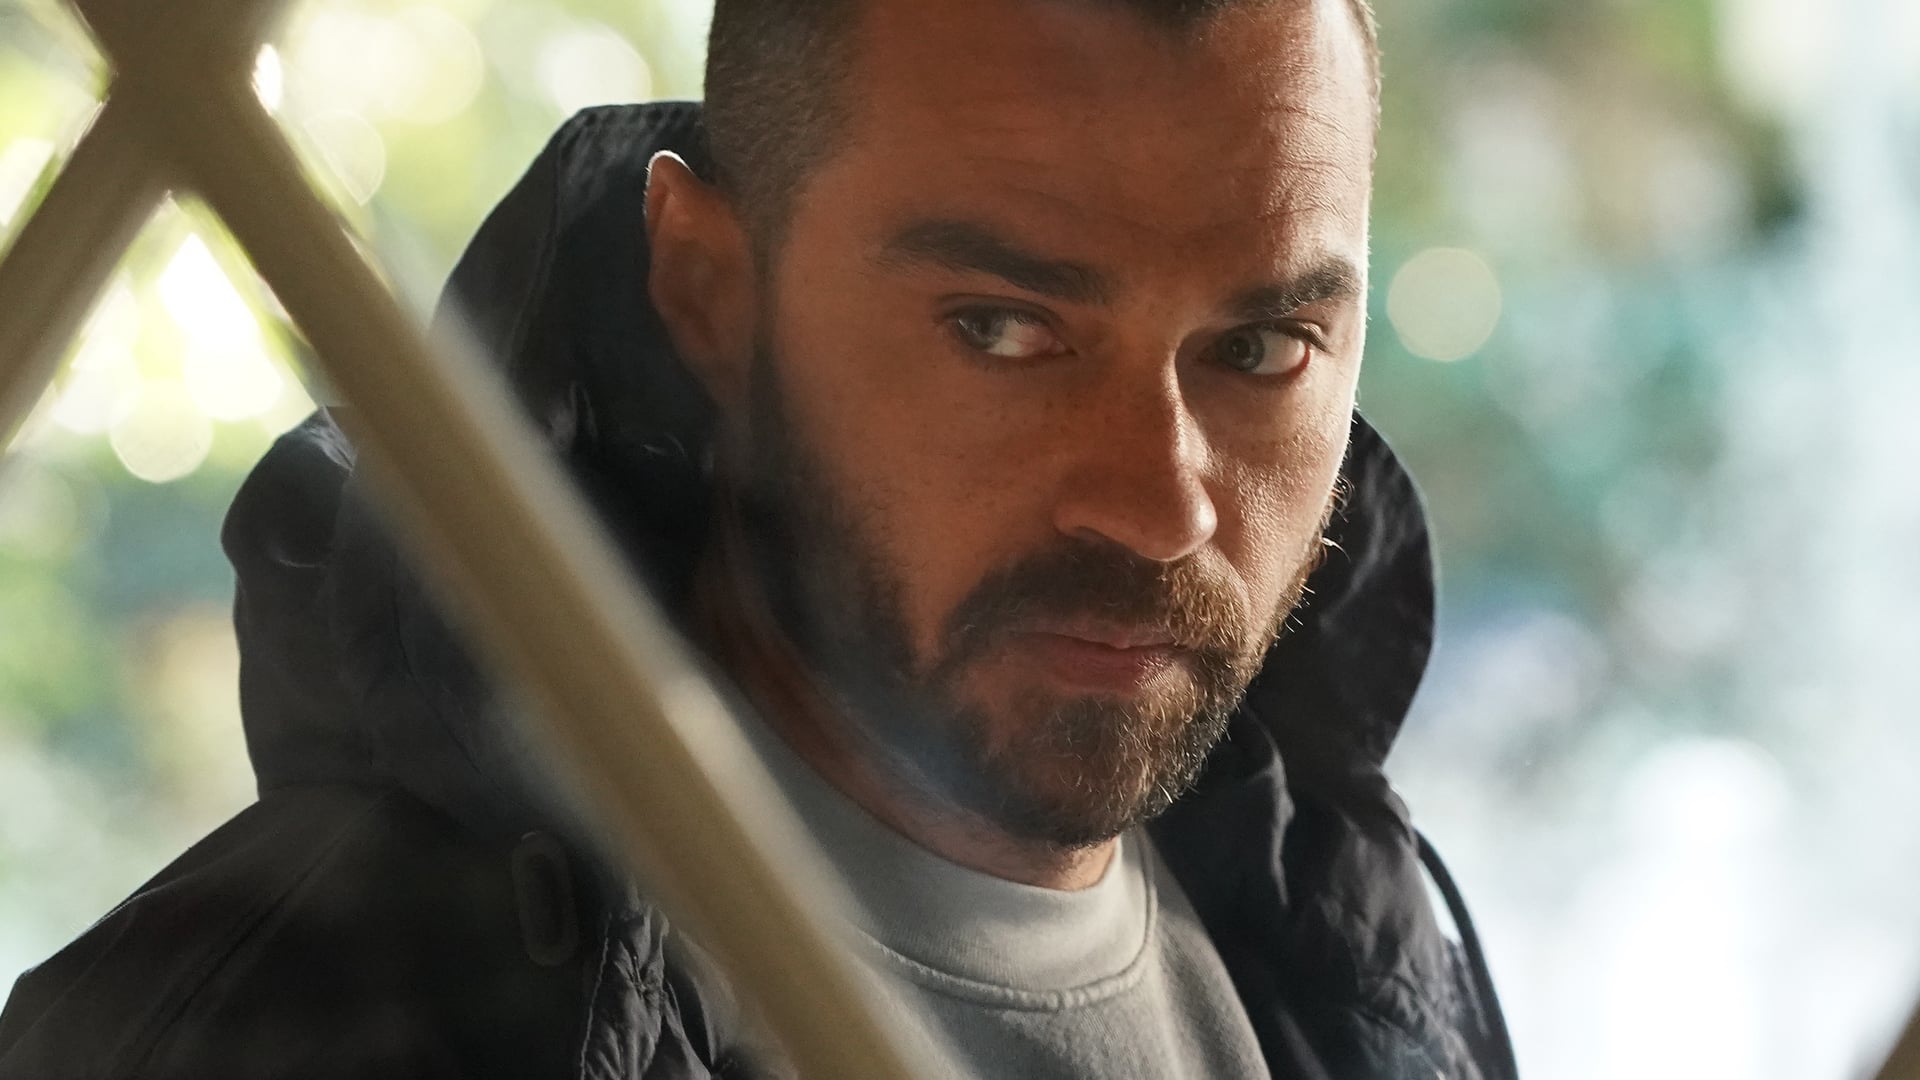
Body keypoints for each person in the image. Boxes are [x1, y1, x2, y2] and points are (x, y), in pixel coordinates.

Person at [0, 0, 1517, 1076]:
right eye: (1003, 329)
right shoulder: (298, 1018)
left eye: (1259, 350)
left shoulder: (1344, 941)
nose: (1160, 505)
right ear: (710, 291)